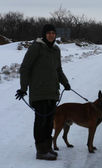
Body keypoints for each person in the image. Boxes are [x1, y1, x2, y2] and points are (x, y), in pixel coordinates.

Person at [15, 24, 71, 160]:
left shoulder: (56, 50)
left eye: (53, 33)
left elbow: (58, 69)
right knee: (41, 121)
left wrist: (65, 82)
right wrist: (23, 88)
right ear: (44, 34)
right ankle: (41, 151)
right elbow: (25, 68)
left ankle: (47, 147)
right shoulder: (36, 47)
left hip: (52, 91)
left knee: (49, 122)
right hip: (39, 92)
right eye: (48, 33)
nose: (51, 35)